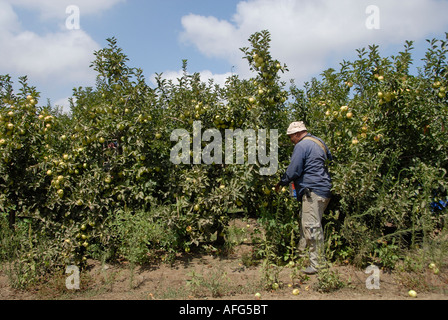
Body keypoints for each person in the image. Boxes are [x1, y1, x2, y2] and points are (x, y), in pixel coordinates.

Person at [276, 121, 332, 274]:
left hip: (312, 192)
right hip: (324, 190)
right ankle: (302, 255)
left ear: (297, 134)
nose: (291, 140)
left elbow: (294, 169)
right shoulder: (319, 142)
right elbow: (329, 159)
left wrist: (282, 181)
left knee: (311, 226)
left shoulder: (301, 146)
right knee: (308, 223)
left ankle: (318, 265)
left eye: (290, 137)